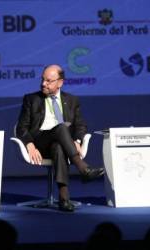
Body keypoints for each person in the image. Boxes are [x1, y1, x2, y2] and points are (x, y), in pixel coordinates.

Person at [16, 64, 104, 212]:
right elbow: (21, 127)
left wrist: (76, 141)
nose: (44, 83)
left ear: (60, 82)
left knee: (58, 146)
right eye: (43, 79)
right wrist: (30, 144)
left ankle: (64, 199)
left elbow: (80, 125)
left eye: (49, 81)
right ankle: (83, 168)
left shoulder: (72, 100)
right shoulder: (31, 99)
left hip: (62, 144)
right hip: (40, 143)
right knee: (62, 128)